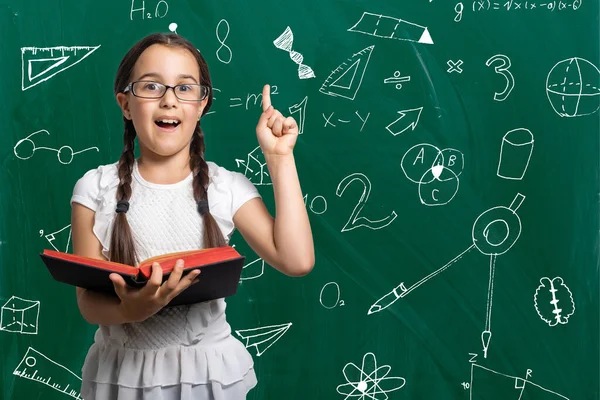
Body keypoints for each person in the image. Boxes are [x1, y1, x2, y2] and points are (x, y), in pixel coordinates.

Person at [70, 32, 314, 400]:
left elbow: (296, 261)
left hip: (209, 377)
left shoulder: (227, 187)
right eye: (151, 86)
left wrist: (280, 158)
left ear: (201, 105)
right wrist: (130, 309)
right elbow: (88, 302)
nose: (169, 101)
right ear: (125, 103)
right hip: (120, 377)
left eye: (185, 89)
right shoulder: (94, 188)